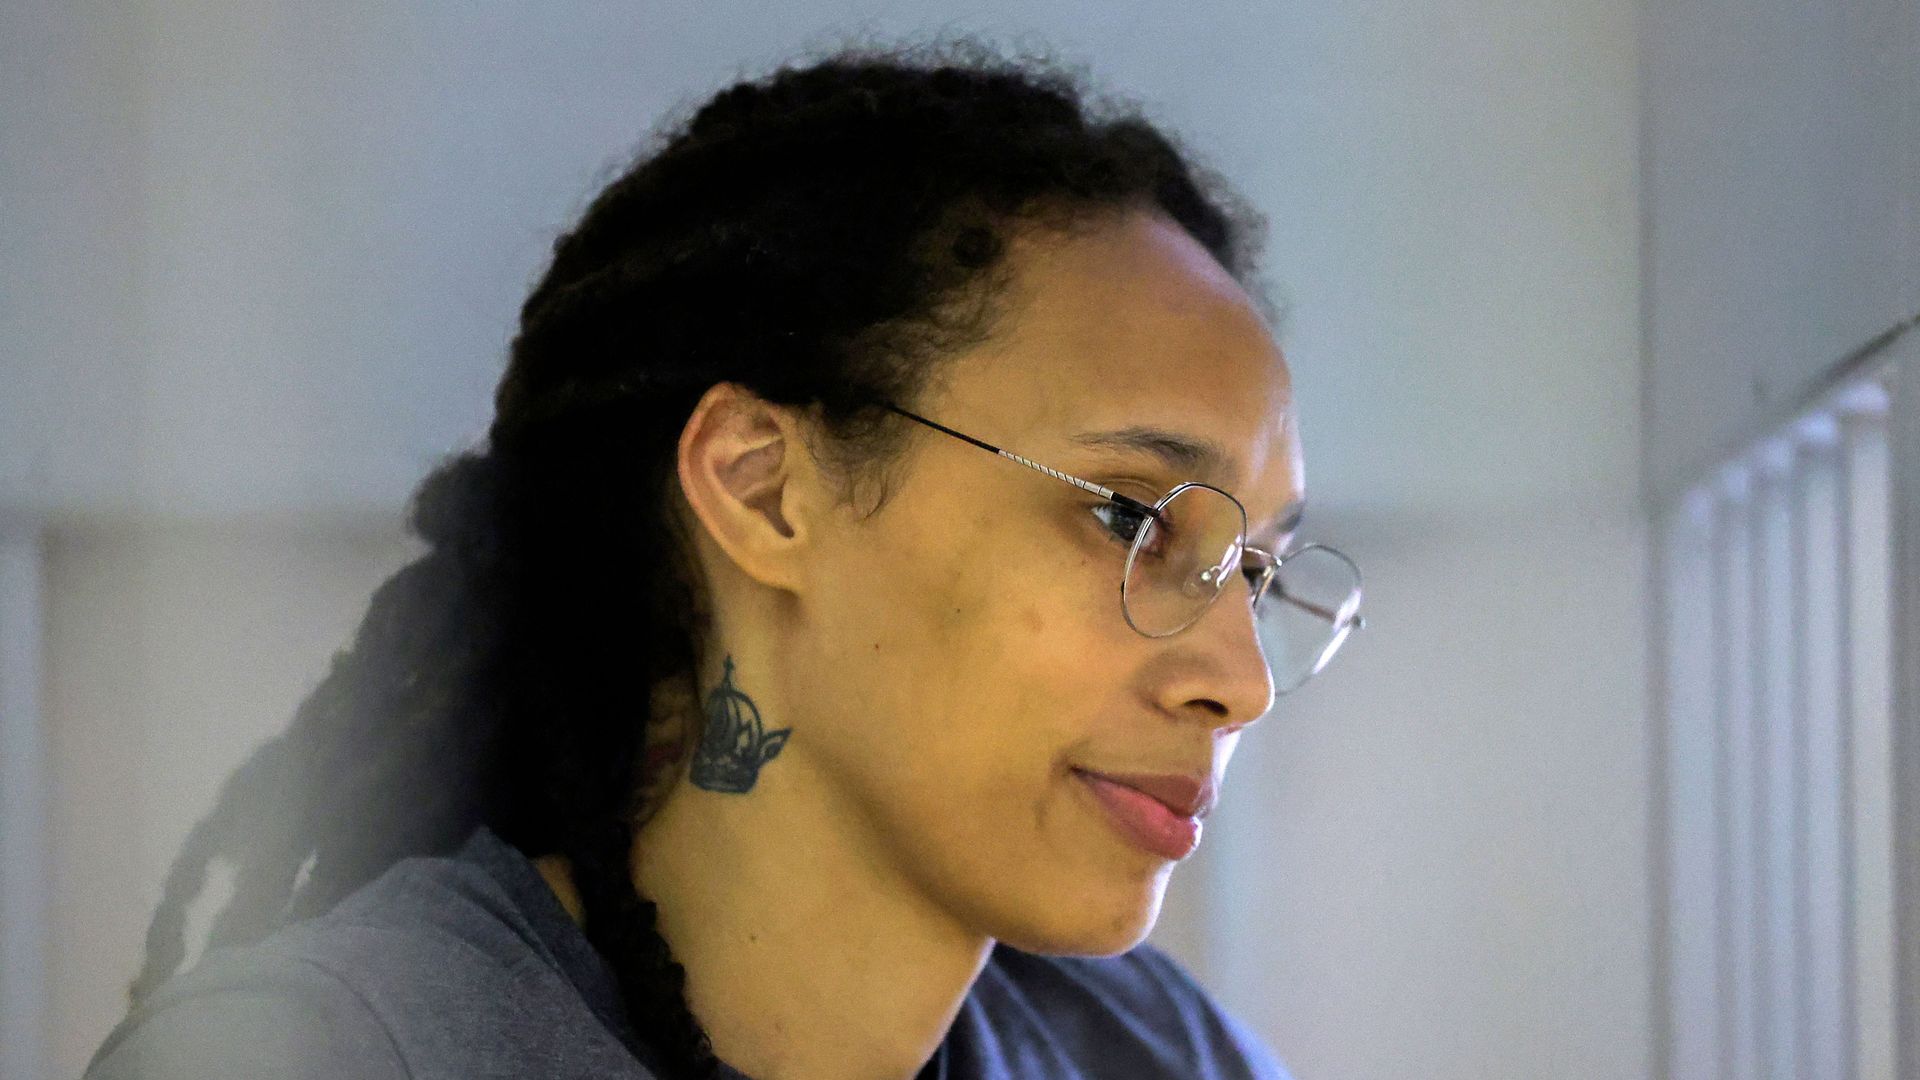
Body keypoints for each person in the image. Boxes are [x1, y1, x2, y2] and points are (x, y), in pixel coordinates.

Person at [84, 40, 1362, 1080]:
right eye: (1133, 519)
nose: (1240, 682)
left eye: (1253, 568)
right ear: (763, 487)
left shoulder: (1162, 1057)